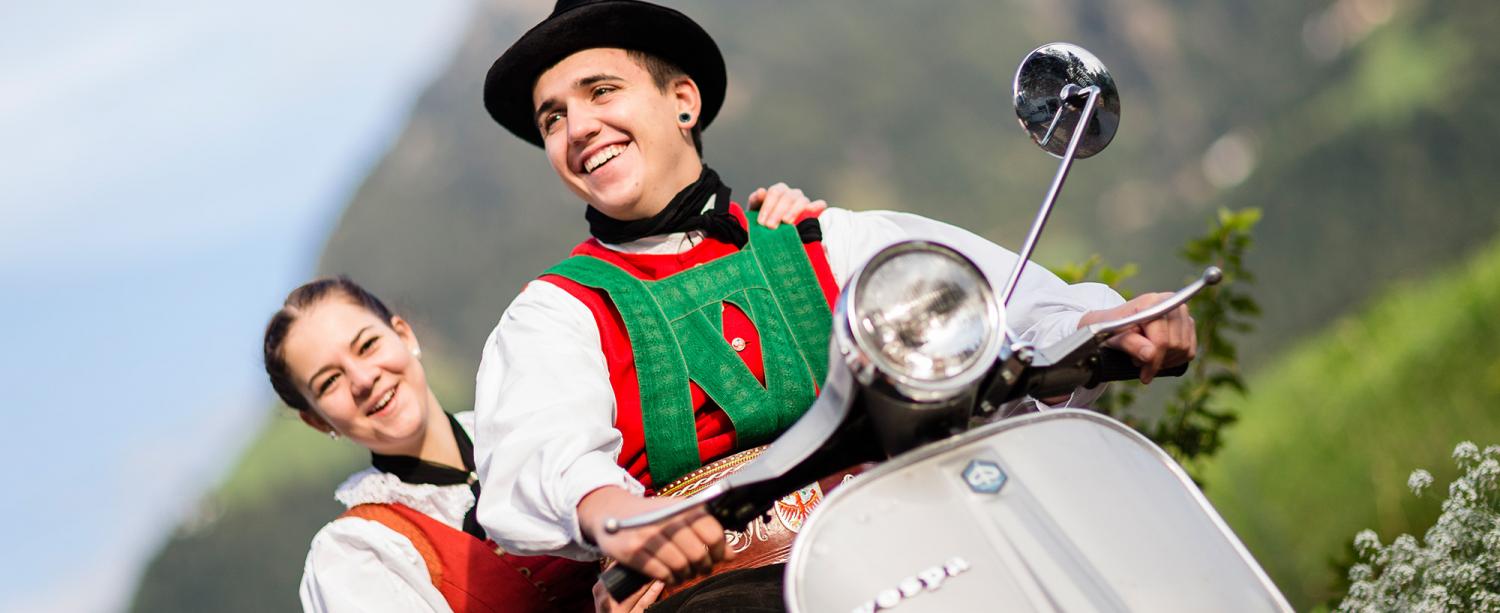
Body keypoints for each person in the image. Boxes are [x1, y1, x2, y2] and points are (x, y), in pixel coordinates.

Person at [472, 0, 1198, 609]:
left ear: (682, 100)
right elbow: (540, 452)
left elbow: (1006, 310)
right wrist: (615, 514)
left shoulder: (833, 240)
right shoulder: (554, 313)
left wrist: (1107, 322)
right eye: (553, 119)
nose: (578, 128)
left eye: (602, 92)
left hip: (923, 564)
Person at [263, 277, 600, 612]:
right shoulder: (357, 555)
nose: (363, 380)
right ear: (318, 420)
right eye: (331, 381)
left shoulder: (536, 424)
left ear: (404, 335)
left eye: (367, 346)